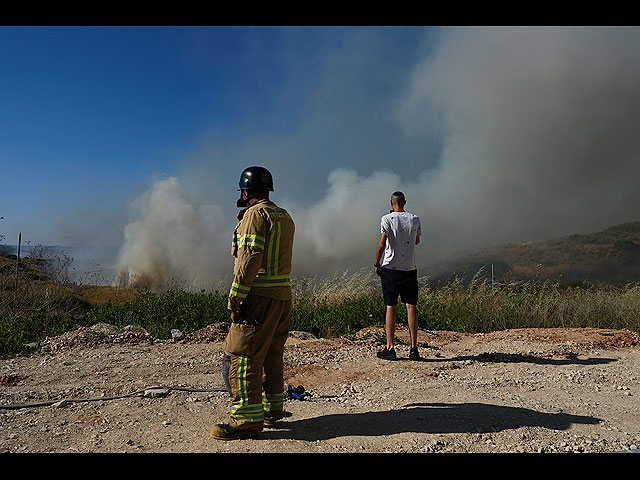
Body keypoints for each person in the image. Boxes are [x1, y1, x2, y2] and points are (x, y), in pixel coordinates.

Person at [210, 166, 295, 440]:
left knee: (243, 357)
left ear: (245, 192)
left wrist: (236, 296)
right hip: (281, 297)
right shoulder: (283, 215)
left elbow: (249, 259)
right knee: (271, 354)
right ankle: (271, 410)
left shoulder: (254, 215)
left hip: (257, 299)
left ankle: (246, 421)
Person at [374, 191, 422, 361]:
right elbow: (416, 241)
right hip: (409, 268)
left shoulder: (386, 219)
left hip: (391, 269)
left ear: (391, 203)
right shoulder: (415, 218)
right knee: (411, 306)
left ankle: (390, 347)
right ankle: (414, 349)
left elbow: (382, 244)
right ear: (405, 202)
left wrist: (376, 263)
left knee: (390, 306)